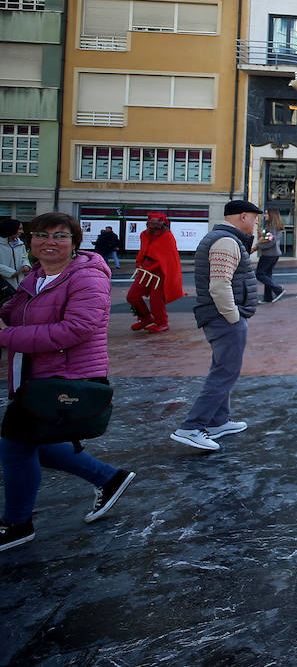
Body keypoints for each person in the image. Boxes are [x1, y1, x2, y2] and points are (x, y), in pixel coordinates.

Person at [0, 213, 135, 552]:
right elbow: (14, 311)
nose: (50, 242)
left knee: (15, 447)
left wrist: (8, 337)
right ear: (30, 241)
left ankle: (18, 523)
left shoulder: (86, 277)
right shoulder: (36, 276)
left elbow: (76, 329)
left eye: (60, 236)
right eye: (41, 235)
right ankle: (108, 477)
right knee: (36, 444)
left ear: (75, 242)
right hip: (35, 374)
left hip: (66, 375)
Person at [170, 200, 262, 452]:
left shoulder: (223, 238)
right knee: (225, 372)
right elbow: (219, 285)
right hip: (223, 318)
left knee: (223, 368)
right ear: (243, 216)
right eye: (254, 218)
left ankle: (218, 422)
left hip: (219, 316)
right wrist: (234, 316)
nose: (255, 223)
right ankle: (191, 427)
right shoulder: (226, 241)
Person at [125, 211, 184, 333]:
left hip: (160, 271)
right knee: (132, 296)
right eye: (150, 222)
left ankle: (162, 322)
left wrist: (152, 267)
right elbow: (143, 251)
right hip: (145, 269)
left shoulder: (167, 236)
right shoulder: (144, 235)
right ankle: (145, 318)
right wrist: (140, 263)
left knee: (156, 300)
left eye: (155, 222)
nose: (152, 225)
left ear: (162, 223)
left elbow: (169, 258)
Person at [254, 208, 286, 304]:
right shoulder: (275, 226)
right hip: (273, 254)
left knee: (259, 274)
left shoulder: (273, 227)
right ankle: (268, 298)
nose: (265, 215)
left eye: (266, 214)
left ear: (272, 215)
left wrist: (258, 246)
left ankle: (278, 289)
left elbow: (270, 243)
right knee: (267, 275)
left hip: (269, 254)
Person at [1, 219, 29, 297]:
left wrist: (26, 265)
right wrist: (10, 272)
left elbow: (24, 257)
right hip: (4, 284)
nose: (22, 231)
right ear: (11, 229)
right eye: (19, 229)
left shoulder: (21, 244)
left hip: (20, 284)